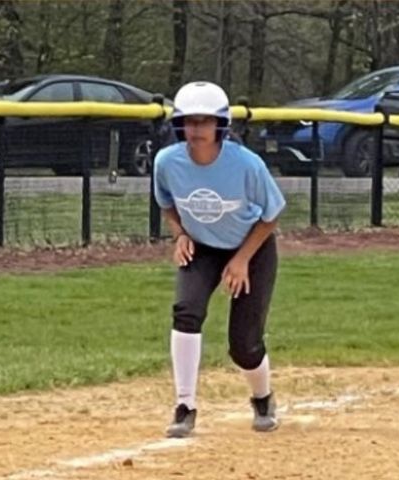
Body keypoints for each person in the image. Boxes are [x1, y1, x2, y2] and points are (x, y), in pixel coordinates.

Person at [153, 81, 286, 438]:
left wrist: (242, 259)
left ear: (220, 126)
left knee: (243, 345)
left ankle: (262, 397)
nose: (196, 129)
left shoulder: (246, 165)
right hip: (202, 247)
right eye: (189, 121)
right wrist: (180, 234)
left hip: (251, 248)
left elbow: (272, 213)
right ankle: (185, 406)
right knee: (186, 310)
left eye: (205, 121)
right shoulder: (167, 162)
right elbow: (166, 202)